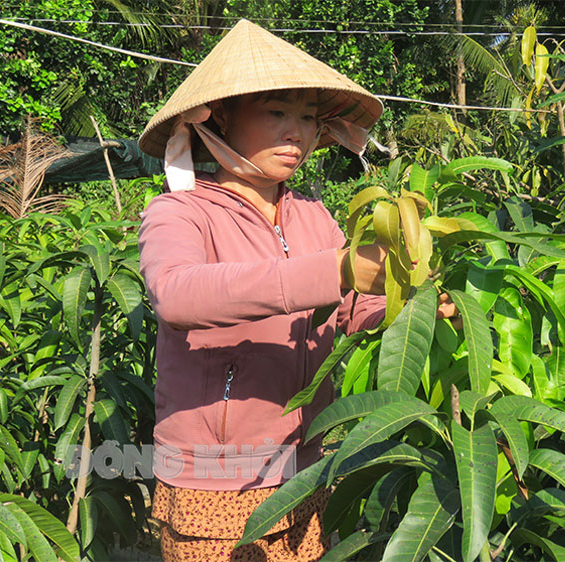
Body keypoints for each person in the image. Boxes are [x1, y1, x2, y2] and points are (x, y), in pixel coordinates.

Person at [136, 19, 390, 560]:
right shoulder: (180, 212)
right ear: (221, 116)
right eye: (276, 112)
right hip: (213, 479)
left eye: (306, 117)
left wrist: (415, 312)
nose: (295, 133)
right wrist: (337, 270)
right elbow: (177, 294)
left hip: (305, 469)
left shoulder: (315, 217)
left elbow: (356, 311)